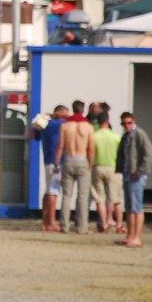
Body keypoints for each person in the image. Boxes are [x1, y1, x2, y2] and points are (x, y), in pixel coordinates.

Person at [115, 111, 152, 248]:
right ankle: (129, 236)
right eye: (124, 123)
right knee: (129, 207)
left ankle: (137, 237)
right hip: (127, 174)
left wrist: (140, 171)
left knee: (137, 207)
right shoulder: (126, 136)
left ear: (134, 121)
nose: (126, 125)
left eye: (129, 123)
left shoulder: (139, 134)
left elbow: (149, 155)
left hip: (136, 176)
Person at [55, 100, 95, 234]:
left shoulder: (66, 126)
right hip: (82, 159)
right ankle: (81, 226)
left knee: (66, 195)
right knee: (82, 196)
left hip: (69, 159)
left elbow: (60, 146)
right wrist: (90, 164)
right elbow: (91, 149)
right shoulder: (88, 127)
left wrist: (56, 163)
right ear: (83, 110)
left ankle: (64, 226)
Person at [34, 105, 69, 232]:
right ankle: (52, 222)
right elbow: (75, 119)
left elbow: (34, 136)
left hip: (48, 159)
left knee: (48, 191)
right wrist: (62, 116)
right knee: (54, 191)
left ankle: (45, 221)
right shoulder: (59, 124)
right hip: (57, 161)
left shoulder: (45, 124)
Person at [91, 116, 123, 233]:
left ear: (98, 123)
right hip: (113, 167)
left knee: (100, 198)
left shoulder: (94, 136)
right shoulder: (116, 137)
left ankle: (103, 223)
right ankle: (119, 224)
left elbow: (91, 152)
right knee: (116, 198)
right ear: (108, 121)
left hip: (98, 166)